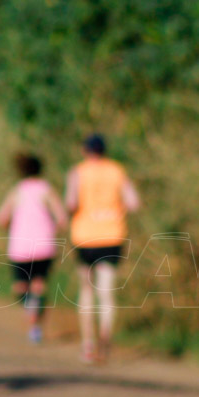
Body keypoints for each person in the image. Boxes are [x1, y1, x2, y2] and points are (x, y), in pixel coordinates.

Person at [64, 134, 140, 364]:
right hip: (112, 235)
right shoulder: (117, 171)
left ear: (85, 151)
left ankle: (88, 345)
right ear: (104, 151)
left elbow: (71, 203)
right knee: (106, 292)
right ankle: (105, 341)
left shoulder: (77, 172)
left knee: (86, 291)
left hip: (85, 237)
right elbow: (134, 202)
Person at [0, 153, 67, 344]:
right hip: (44, 245)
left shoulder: (17, 191)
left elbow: (1, 218)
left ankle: (30, 313)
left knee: (20, 287)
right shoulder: (46, 189)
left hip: (20, 247)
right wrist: (53, 229)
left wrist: (12, 225)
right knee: (39, 285)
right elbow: (61, 218)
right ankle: (35, 326)